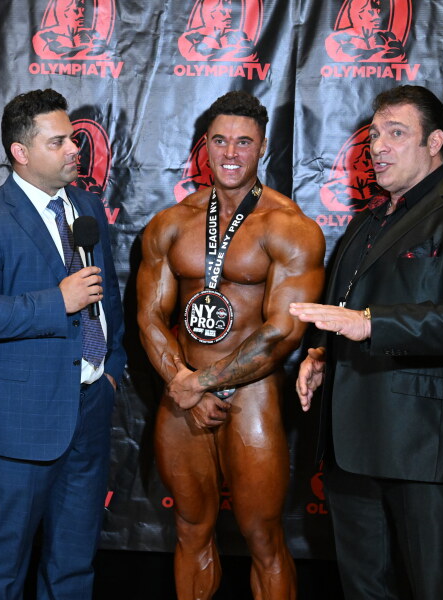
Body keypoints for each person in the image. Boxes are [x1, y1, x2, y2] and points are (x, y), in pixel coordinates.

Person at [290, 85, 443, 600]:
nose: (378, 147)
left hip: (426, 452)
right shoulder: (366, 221)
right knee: (363, 592)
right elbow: (344, 309)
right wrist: (322, 353)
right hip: (351, 449)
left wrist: (370, 324)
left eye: (396, 133)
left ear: (433, 143)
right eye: (374, 135)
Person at [138, 91, 325, 600]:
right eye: (220, 140)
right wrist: (184, 383)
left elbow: (282, 332)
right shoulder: (172, 223)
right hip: (182, 392)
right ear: (205, 145)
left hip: (251, 395)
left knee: (263, 537)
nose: (230, 152)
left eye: (244, 142)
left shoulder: (289, 227)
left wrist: (203, 384)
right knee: (190, 529)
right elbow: (150, 316)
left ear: (262, 147)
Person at [0, 88, 125, 600]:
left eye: (74, 138)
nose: (74, 149)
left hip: (90, 406)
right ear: (20, 152)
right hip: (21, 418)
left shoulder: (86, 207)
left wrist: (110, 372)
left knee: (74, 561)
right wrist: (57, 301)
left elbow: (109, 300)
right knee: (3, 561)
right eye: (58, 141)